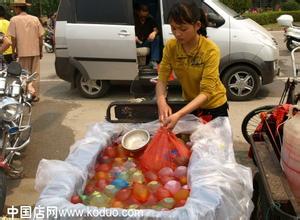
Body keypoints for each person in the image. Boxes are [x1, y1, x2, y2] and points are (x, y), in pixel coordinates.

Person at [156, 0, 228, 130]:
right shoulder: (171, 47)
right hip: (190, 104)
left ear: (197, 25)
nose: (177, 34)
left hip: (214, 106)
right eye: (173, 28)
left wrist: (179, 114)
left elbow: (206, 92)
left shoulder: (210, 50)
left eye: (183, 29)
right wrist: (161, 102)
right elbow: (162, 79)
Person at [8, 0, 44, 102]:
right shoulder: (35, 19)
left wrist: (14, 50)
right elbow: (41, 37)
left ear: (18, 8)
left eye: (15, 8)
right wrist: (40, 50)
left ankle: (25, 95)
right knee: (35, 74)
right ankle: (35, 95)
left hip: (22, 52)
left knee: (24, 74)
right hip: (35, 51)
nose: (14, 9)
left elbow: (13, 38)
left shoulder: (14, 20)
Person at [134, 3, 160, 69]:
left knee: (157, 38)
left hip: (145, 42)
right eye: (143, 10)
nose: (145, 13)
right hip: (136, 42)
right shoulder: (133, 20)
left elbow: (156, 30)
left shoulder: (150, 20)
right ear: (138, 12)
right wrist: (133, 36)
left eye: (147, 11)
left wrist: (154, 33)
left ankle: (153, 61)